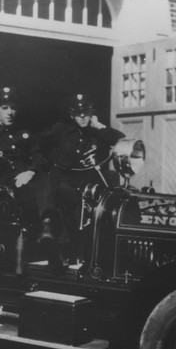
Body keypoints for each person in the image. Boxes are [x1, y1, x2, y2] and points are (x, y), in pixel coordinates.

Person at [0, 87, 61, 269]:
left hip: (28, 180)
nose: (10, 112)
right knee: (46, 188)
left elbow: (39, 157)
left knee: (47, 177)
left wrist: (30, 172)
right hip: (6, 185)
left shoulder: (24, 135)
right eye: (5, 108)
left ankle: (47, 230)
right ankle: (49, 236)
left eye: (13, 108)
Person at [41, 93, 125, 265]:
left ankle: (101, 248)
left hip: (88, 180)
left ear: (91, 113)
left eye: (85, 112)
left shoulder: (96, 132)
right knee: (71, 202)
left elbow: (120, 139)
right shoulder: (61, 130)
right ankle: (68, 250)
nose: (82, 116)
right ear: (72, 115)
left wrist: (99, 126)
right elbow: (42, 144)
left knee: (111, 193)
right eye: (78, 113)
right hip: (65, 178)